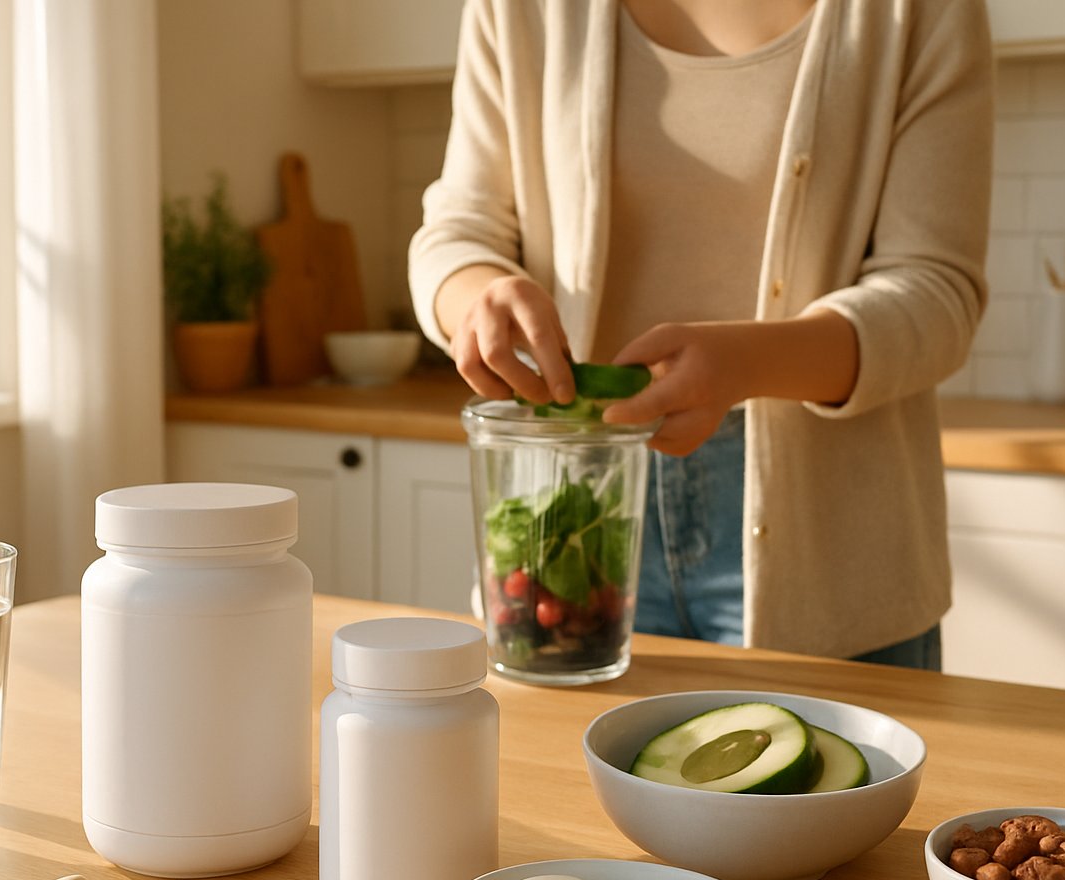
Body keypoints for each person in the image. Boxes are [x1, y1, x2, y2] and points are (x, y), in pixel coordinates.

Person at [409, 0, 993, 670]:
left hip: (832, 538)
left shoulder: (918, 12)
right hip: (571, 528)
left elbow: (938, 291)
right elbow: (458, 229)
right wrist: (476, 295)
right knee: (547, 775)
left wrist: (747, 363)